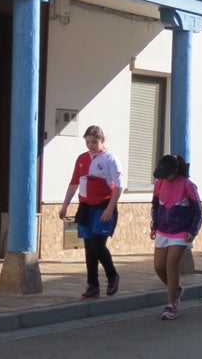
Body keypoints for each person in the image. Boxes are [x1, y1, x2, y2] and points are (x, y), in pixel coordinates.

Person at [59, 125, 124, 299]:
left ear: (102, 140)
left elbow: (119, 187)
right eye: (87, 142)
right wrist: (65, 205)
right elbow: (74, 183)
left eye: (94, 142)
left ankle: (112, 276)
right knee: (89, 248)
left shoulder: (110, 159)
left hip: (103, 206)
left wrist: (110, 209)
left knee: (98, 245)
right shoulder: (81, 159)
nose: (91, 145)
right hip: (86, 207)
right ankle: (92, 284)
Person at [149, 154, 202, 320]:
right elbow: (155, 206)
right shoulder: (159, 184)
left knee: (171, 265)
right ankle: (176, 290)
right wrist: (154, 226)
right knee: (159, 266)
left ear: (176, 171)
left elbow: (198, 212)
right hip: (163, 230)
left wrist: (192, 231)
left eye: (167, 174)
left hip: (181, 231)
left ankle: (171, 304)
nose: (165, 177)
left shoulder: (188, 185)